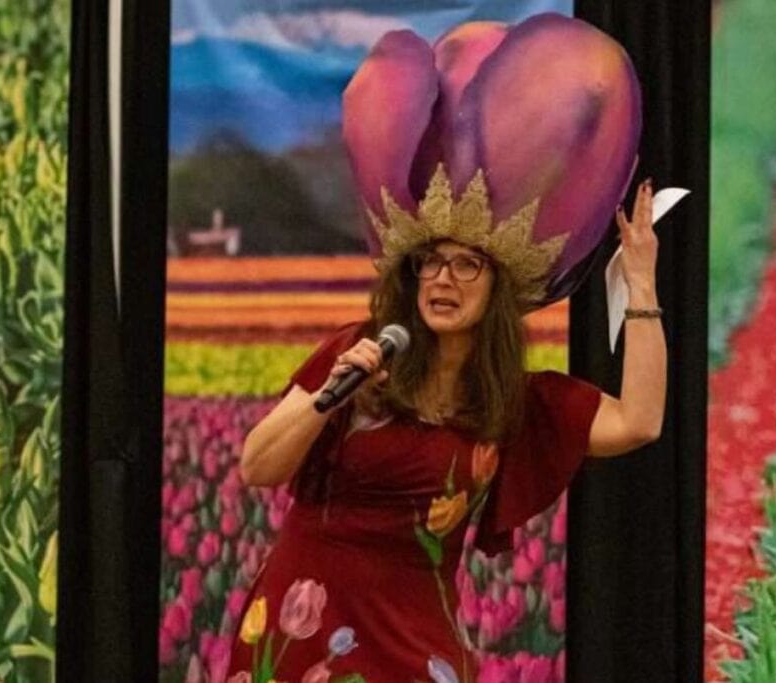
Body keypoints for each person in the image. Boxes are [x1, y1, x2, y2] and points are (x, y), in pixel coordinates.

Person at [227, 13, 666, 683]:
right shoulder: (358, 354)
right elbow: (258, 465)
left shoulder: (513, 404)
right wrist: (328, 396)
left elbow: (640, 419)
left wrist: (640, 286)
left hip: (412, 636)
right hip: (301, 622)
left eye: (467, 265)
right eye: (430, 263)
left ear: (496, 288)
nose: (443, 278)